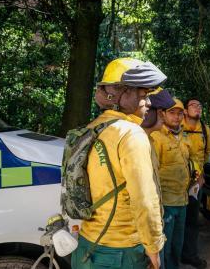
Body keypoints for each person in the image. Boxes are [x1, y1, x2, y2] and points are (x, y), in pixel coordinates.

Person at [72, 58, 166, 269]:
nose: (149, 103)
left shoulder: (94, 127)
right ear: (122, 95)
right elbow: (145, 201)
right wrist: (154, 250)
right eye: (143, 96)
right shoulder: (131, 134)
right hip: (120, 254)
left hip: (86, 247)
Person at [151, 98, 191, 269]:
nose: (176, 117)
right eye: (172, 113)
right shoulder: (156, 137)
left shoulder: (184, 137)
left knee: (177, 245)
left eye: (180, 113)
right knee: (164, 247)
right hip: (165, 202)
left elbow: (191, 161)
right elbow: (152, 172)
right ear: (163, 114)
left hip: (183, 200)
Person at [181, 98, 210, 269]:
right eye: (193, 105)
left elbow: (206, 154)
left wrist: (200, 173)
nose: (197, 107)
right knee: (174, 218)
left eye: (200, 105)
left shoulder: (205, 130)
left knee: (192, 220)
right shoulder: (177, 125)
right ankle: (172, 254)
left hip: (195, 183)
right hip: (176, 182)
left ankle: (189, 255)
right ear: (185, 111)